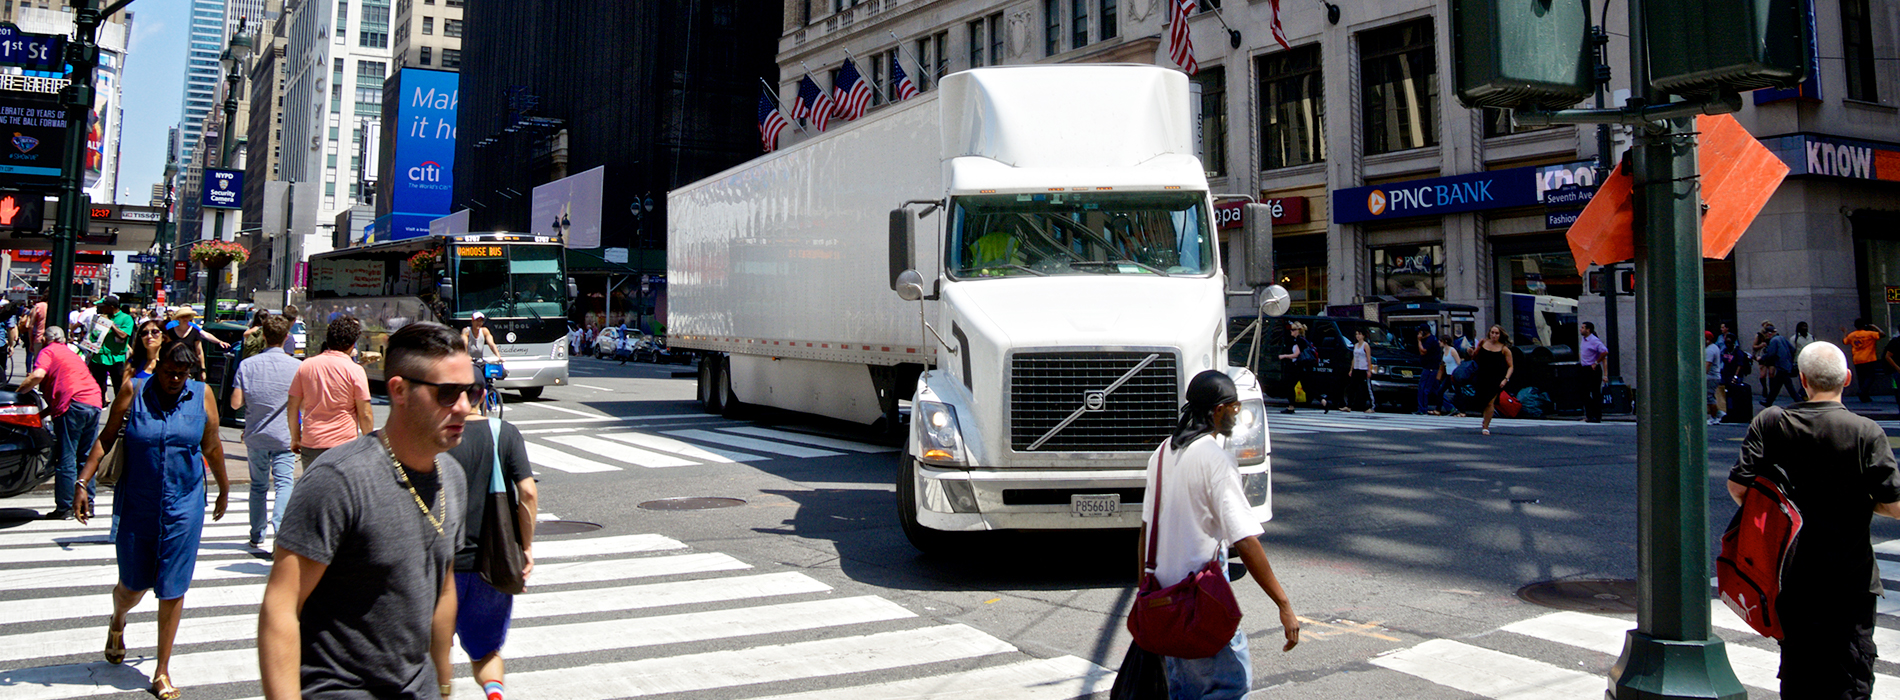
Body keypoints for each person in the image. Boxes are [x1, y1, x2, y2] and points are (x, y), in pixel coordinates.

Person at [259, 322, 473, 700]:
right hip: (339, 689)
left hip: (417, 687)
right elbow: (281, 606)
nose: (464, 407)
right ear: (400, 390)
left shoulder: (452, 475)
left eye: (471, 391)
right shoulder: (339, 479)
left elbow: (443, 588)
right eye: (447, 393)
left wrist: (443, 685)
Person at [1728, 341, 1900, 697]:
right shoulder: (1866, 432)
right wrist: (1859, 502)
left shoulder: (1771, 422)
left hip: (1790, 578)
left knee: (1799, 675)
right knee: (1850, 676)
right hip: (1850, 581)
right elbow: (1895, 505)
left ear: (1803, 380)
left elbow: (1739, 488)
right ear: (1848, 378)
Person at [72, 339, 229, 700]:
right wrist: (83, 481)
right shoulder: (134, 389)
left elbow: (213, 445)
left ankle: (161, 670)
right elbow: (107, 438)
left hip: (184, 503)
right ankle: (118, 619)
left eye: (182, 374)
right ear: (157, 367)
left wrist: (222, 487)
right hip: (138, 503)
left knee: (173, 587)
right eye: (169, 372)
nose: (175, 379)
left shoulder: (202, 395)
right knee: (132, 585)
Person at [1138, 370, 1298, 699]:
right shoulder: (1215, 459)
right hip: (1200, 603)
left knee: (1184, 691)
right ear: (1217, 411)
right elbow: (1245, 540)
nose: (1237, 415)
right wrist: (1283, 603)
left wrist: (1145, 589)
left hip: (1164, 603)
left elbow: (1144, 530)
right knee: (1229, 686)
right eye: (1234, 408)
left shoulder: (1162, 454)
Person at [435, 416, 537, 700]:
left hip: (441, 566)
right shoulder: (503, 432)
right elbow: (527, 492)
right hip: (491, 564)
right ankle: (494, 695)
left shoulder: (433, 431)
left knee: (435, 653)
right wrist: (525, 546)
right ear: (483, 393)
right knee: (486, 654)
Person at [18, 326, 106, 520]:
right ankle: (87, 504)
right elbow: (68, 387)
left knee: (67, 456)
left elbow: (38, 375)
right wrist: (41, 415)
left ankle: (66, 507)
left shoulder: (48, 351)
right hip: (93, 402)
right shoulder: (70, 354)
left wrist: (17, 395)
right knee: (85, 456)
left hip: (73, 404)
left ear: (47, 340)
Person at [233, 315, 302, 549]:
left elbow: (235, 403)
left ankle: (256, 532)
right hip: (284, 435)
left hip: (256, 434)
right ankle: (280, 530)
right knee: (284, 484)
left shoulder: (247, 365)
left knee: (258, 486)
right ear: (286, 338)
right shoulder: (297, 367)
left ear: (263, 336)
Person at [288, 315, 374, 467]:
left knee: (314, 489)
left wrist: (295, 437)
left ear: (328, 340)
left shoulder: (306, 366)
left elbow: (292, 406)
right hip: (344, 444)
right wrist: (368, 445)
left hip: (312, 441)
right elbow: (365, 413)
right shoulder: (355, 371)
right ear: (353, 344)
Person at [83, 295, 135, 401]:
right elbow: (94, 336)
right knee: (98, 384)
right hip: (100, 356)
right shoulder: (100, 317)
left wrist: (109, 324)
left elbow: (123, 335)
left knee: (118, 385)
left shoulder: (126, 318)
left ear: (111, 307)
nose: (101, 309)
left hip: (116, 357)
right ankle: (99, 403)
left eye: (103, 306)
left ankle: (120, 409)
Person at [1273, 322, 1324, 414]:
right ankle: (1323, 401)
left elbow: (1296, 355)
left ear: (1298, 331)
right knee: (1306, 387)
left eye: (1293, 330)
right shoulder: (1301, 340)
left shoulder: (1299, 340)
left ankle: (1291, 407)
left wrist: (1284, 356)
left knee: (1290, 386)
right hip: (1301, 368)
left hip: (1299, 368)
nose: (1291, 331)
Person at [1474, 325, 1515, 436]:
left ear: (1500, 335)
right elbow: (1475, 356)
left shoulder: (1504, 349)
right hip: (1482, 376)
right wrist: (1473, 351)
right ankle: (1485, 418)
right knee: (1482, 400)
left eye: (1496, 333)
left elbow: (1510, 366)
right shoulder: (1483, 343)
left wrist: (1505, 379)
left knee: (1490, 402)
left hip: (1496, 378)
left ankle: (1486, 426)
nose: (1494, 335)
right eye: (1492, 332)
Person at [164, 308, 231, 372]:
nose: (185, 318)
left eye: (187, 316)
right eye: (182, 316)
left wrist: (219, 342)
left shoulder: (193, 329)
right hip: (173, 365)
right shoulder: (170, 328)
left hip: (189, 366)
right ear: (178, 318)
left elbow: (205, 335)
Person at [1844, 320, 1885, 404]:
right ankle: (1862, 391)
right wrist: (1875, 327)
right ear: (1864, 325)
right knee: (1870, 377)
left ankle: (1864, 396)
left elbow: (1844, 341)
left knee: (1861, 378)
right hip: (1868, 358)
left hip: (1857, 359)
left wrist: (1845, 332)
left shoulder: (1852, 335)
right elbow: (1883, 334)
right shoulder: (1869, 334)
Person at [1577, 322, 1609, 423]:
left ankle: (1596, 416)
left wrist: (1596, 362)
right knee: (1583, 392)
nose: (1580, 329)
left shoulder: (1594, 340)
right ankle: (1590, 414)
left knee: (1595, 393)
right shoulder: (1584, 339)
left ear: (1588, 330)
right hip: (1584, 368)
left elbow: (1605, 351)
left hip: (1592, 369)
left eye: (1582, 328)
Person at [1761, 324, 1799, 407]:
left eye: (1766, 333)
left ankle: (1799, 401)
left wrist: (1762, 358)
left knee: (1789, 387)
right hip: (1786, 366)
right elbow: (1792, 349)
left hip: (1782, 367)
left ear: (1769, 333)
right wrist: (1789, 360)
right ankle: (1768, 402)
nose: (1766, 336)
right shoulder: (1781, 338)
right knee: (1776, 386)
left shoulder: (1774, 341)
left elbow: (1771, 354)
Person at [1341, 328, 1375, 413]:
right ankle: (1348, 406)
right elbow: (1354, 358)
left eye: (1359, 334)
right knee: (1352, 387)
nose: (1358, 336)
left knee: (1365, 388)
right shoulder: (1356, 345)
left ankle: (1371, 406)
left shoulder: (1365, 345)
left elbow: (1368, 358)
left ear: (1363, 335)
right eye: (1356, 334)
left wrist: (1369, 370)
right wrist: (1351, 369)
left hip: (1363, 369)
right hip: (1356, 369)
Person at [124, 319, 167, 385]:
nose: (149, 336)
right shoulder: (133, 362)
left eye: (155, 332)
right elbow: (124, 390)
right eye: (144, 333)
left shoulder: (169, 363)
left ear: (163, 337)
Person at [1413, 327, 1441, 415]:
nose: (1419, 334)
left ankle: (1422, 409)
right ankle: (1450, 407)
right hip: (1431, 367)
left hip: (1430, 368)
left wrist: (1419, 341)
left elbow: (1423, 351)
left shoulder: (1430, 340)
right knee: (1435, 389)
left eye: (1420, 332)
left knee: (1423, 388)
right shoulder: (1431, 339)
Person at [1705, 331, 1726, 425]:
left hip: (1711, 377)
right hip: (1714, 376)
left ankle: (1713, 417)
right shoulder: (1714, 347)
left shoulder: (1709, 350)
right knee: (1710, 396)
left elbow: (1707, 365)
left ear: (1708, 340)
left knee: (1709, 397)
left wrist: (1703, 375)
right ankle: (1718, 414)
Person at [25, 295, 46, 372]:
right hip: (54, 339)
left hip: (39, 337)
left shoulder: (39, 306)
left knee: (38, 363)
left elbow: (31, 325)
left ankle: (31, 375)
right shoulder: (56, 305)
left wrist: (31, 343)